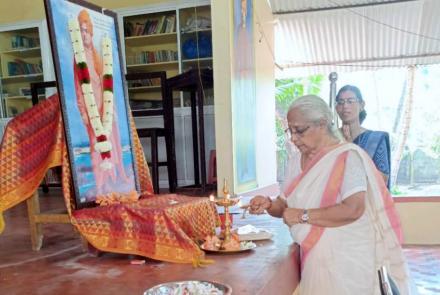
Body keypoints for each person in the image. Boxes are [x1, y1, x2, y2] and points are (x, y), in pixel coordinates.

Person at [249, 95, 409, 294]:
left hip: (348, 258)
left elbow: (353, 209)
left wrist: (302, 215)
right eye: (290, 130)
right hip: (315, 255)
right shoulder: (295, 160)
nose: (293, 138)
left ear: (323, 124)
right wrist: (268, 204)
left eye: (300, 130)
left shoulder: (348, 156)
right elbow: (284, 205)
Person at [74, 10, 134, 198]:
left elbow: (107, 84)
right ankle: (99, 188)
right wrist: (84, 112)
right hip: (92, 110)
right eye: (81, 31)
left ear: (91, 32)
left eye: (87, 30)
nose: (84, 34)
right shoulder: (79, 59)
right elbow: (78, 88)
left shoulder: (98, 56)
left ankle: (114, 180)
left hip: (105, 108)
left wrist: (112, 109)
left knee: (113, 144)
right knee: (95, 146)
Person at [336, 85, 391, 188]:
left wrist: (350, 148)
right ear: (336, 108)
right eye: (341, 102)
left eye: (350, 101)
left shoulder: (375, 139)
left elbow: (382, 179)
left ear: (361, 105)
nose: (345, 106)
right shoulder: (331, 138)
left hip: (366, 200)